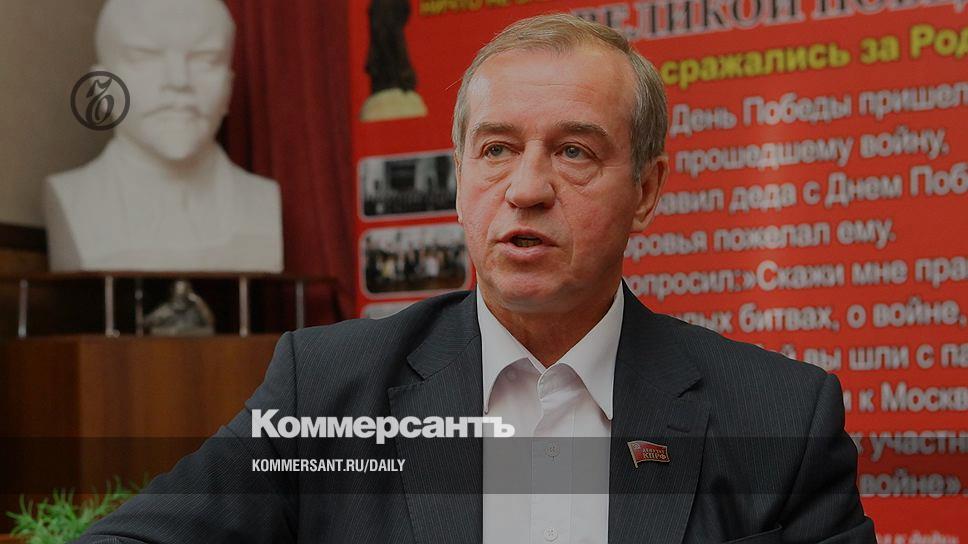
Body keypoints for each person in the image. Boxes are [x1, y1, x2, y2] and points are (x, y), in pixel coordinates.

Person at [76, 13, 875, 544]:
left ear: (646, 190)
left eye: (574, 152)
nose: (526, 189)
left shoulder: (780, 419)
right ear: (459, 182)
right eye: (496, 150)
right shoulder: (325, 390)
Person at [45, 0, 283, 272]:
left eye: (206, 59)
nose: (179, 80)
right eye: (145, 56)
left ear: (228, 86)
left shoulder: (260, 202)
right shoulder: (75, 200)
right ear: (103, 88)